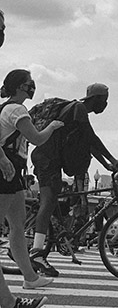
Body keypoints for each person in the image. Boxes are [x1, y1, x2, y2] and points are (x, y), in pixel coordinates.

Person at [30, 83, 118, 277]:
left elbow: (87, 143)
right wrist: (113, 159)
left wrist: (107, 165)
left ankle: (53, 237)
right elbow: (91, 137)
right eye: (104, 100)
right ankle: (37, 253)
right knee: (47, 203)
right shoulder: (79, 109)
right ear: (95, 98)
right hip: (47, 159)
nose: (105, 104)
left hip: (50, 159)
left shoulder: (77, 113)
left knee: (52, 201)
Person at [0, 69, 64, 308]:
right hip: (5, 173)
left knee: (17, 225)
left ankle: (30, 277)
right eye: (28, 83)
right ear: (19, 87)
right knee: (11, 227)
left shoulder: (6, 108)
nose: (32, 86)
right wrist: (53, 127)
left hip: (12, 174)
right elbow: (37, 138)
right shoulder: (16, 110)